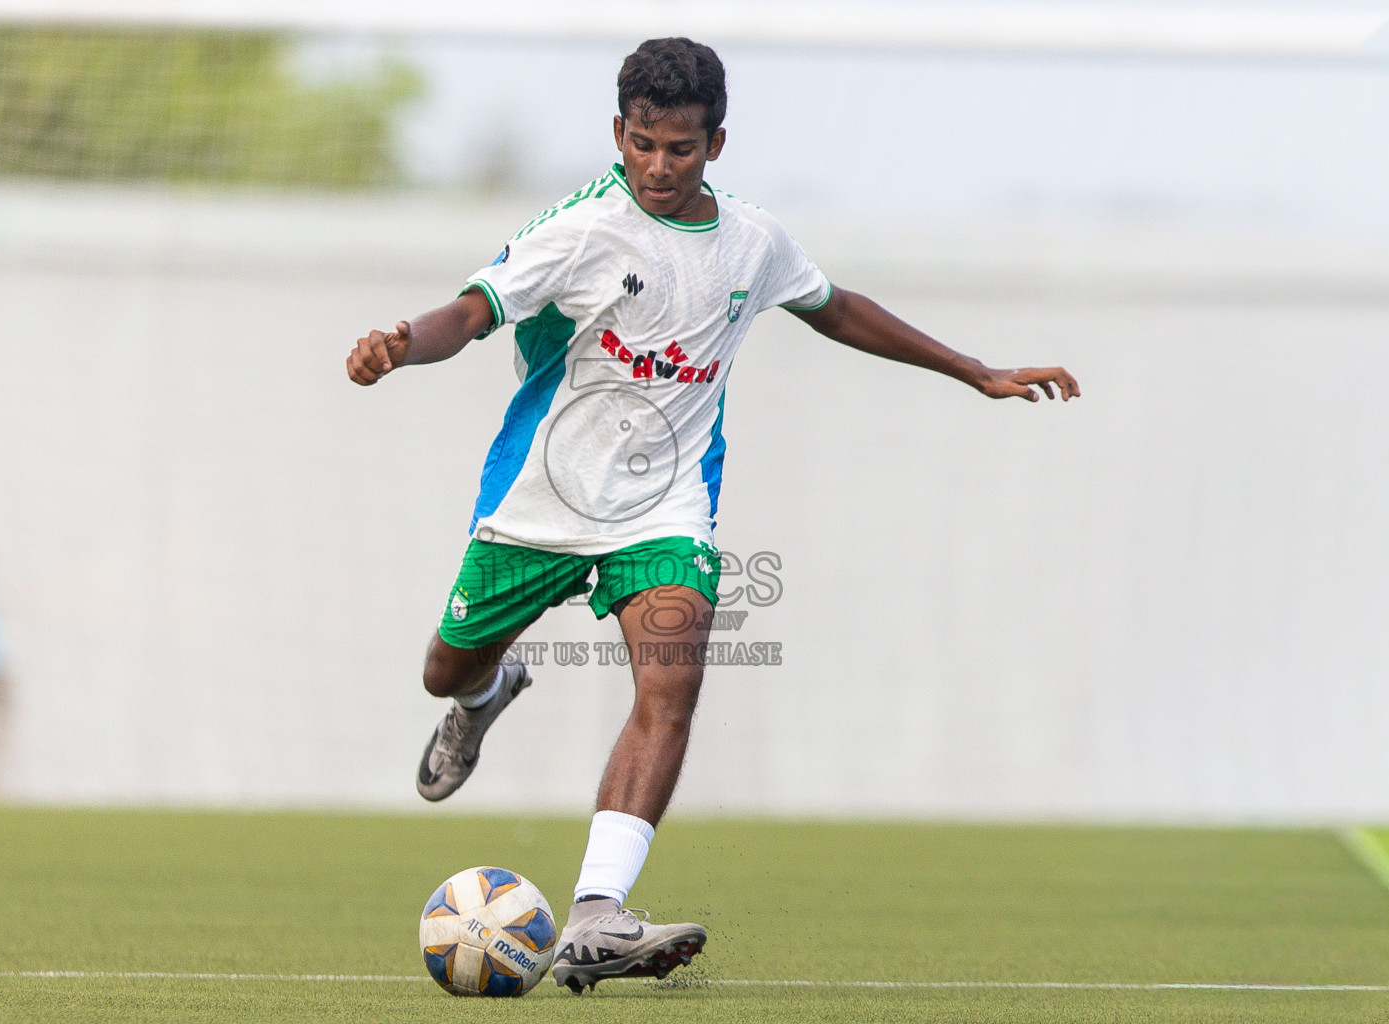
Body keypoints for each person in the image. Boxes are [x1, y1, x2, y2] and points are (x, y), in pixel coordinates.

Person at [347, 37, 1079, 993]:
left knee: (671, 686)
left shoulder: (754, 242)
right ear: (619, 133)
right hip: (543, 498)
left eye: (681, 148)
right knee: (446, 667)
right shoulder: (576, 231)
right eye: (644, 143)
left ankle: (596, 915)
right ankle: (484, 699)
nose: (660, 165)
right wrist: (400, 345)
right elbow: (471, 312)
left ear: (716, 144)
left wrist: (974, 370)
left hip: (666, 510)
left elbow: (836, 306)